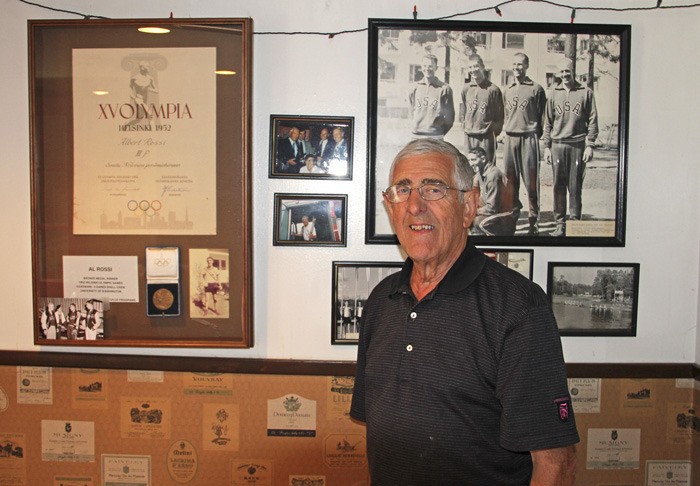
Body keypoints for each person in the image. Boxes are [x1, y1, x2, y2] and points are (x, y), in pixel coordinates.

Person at [350, 138, 578, 485]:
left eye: (433, 189)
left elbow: (555, 462)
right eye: (403, 190)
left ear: (469, 206)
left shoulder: (517, 307)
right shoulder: (381, 301)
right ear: (389, 205)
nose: (414, 206)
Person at [542, 57, 599, 237]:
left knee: (575, 186)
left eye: (567, 71)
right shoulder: (553, 93)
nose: (565, 75)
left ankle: (574, 224)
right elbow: (548, 123)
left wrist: (590, 145)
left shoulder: (585, 92)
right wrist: (546, 147)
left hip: (577, 145)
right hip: (558, 144)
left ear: (572, 71)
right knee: (558, 186)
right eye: (562, 72)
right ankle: (560, 224)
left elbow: (592, 119)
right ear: (558, 74)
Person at [503, 52, 547, 235]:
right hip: (510, 139)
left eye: (520, 64)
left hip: (529, 138)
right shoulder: (508, 89)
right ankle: (512, 222)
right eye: (514, 64)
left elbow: (542, 116)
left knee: (531, 183)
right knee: (510, 183)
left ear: (527, 66)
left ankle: (533, 222)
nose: (517, 67)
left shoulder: (536, 89)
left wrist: (538, 136)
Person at [459, 54, 504, 164]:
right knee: (470, 169)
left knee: (487, 169)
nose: (473, 70)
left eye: (476, 66)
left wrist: (494, 134)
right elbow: (463, 112)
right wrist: (465, 126)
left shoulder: (493, 89)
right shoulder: (466, 88)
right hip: (469, 136)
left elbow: (500, 117)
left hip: (486, 137)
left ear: (483, 67)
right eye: (470, 67)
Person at [468, 146, 518, 236]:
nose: (471, 164)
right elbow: (472, 190)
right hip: (497, 208)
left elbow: (492, 208)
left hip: (507, 213)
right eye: (469, 160)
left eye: (473, 160)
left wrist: (474, 211)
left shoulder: (492, 175)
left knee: (477, 222)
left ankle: (496, 242)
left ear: (483, 159)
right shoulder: (481, 171)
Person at [407, 54, 455, 139]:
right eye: (425, 66)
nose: (427, 69)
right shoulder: (414, 87)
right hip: (416, 136)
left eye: (430, 66)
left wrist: (439, 131)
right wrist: (416, 126)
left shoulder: (444, 89)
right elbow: (411, 111)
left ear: (436, 67)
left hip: (435, 136)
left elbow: (450, 118)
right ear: (421, 67)